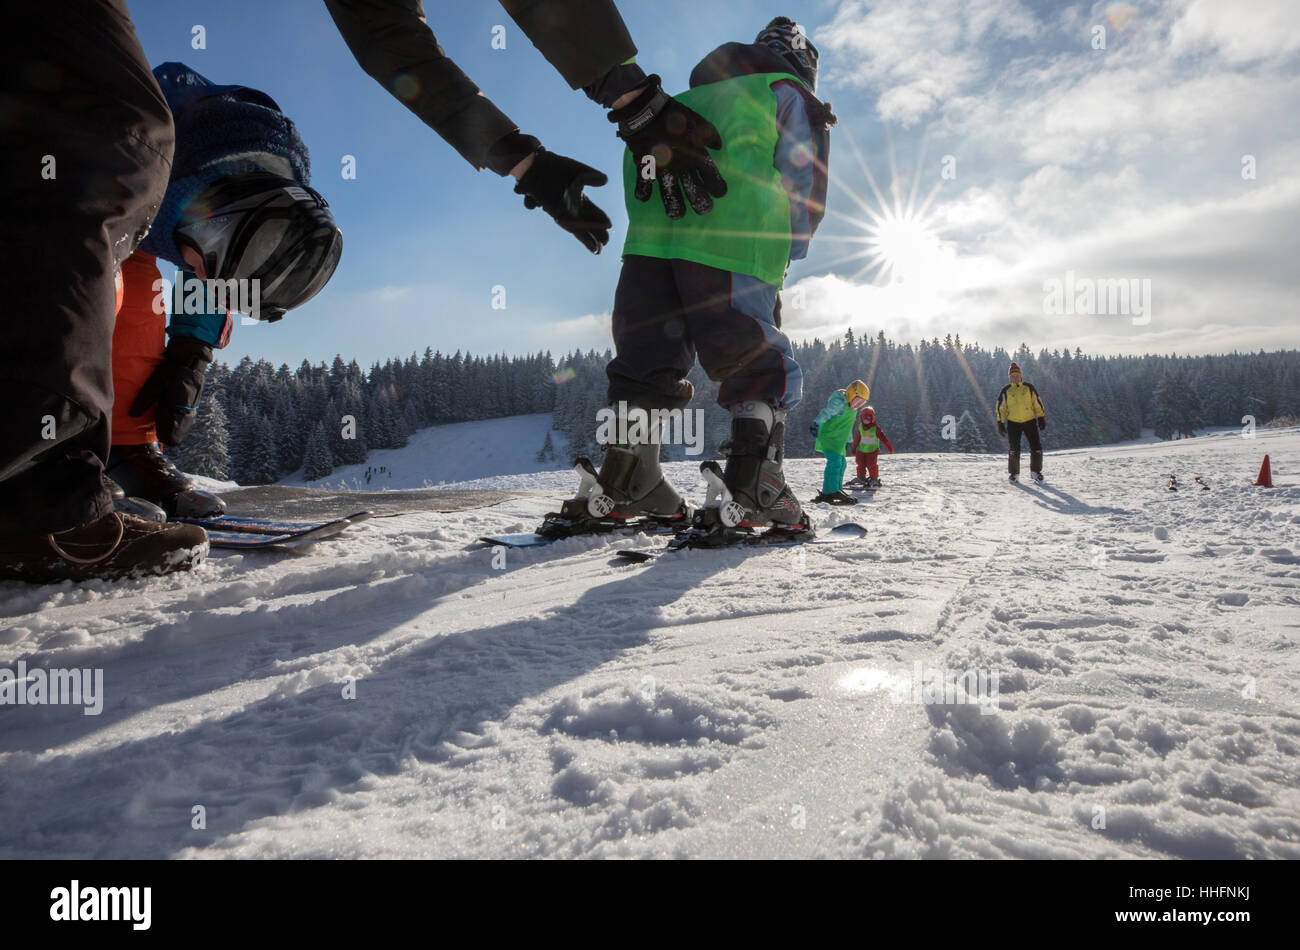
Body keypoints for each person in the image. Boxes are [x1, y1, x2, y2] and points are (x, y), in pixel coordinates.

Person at [0, 0, 725, 584]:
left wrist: (531, 158)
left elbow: (388, 37)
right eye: (222, 257)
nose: (211, 273)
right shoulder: (172, 159)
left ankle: (97, 458)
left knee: (119, 276)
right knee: (109, 173)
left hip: (160, 191)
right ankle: (38, 493)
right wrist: (626, 102)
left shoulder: (203, 220)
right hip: (140, 157)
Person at [568, 17, 835, 534]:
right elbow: (805, 175)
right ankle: (755, 486)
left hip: (651, 248)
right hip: (737, 240)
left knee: (646, 359)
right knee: (749, 354)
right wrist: (790, 246)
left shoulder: (686, 98)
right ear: (803, 63)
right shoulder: (787, 91)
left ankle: (628, 478)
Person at [811, 380, 869, 505]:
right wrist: (816, 423)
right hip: (830, 437)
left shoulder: (852, 409)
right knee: (835, 462)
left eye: (861, 403)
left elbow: (846, 427)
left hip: (839, 440)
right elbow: (827, 413)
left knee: (842, 464)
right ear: (851, 395)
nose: (858, 405)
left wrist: (849, 441)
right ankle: (829, 492)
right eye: (857, 400)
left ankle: (836, 490)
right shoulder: (839, 403)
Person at [995, 361, 1047, 483]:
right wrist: (1000, 422)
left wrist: (1041, 417)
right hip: (1013, 423)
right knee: (1014, 449)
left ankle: (1036, 472)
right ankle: (1014, 474)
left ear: (1021, 375)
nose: (1015, 377)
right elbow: (1001, 408)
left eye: (1017, 375)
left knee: (1036, 447)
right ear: (1009, 377)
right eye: (1012, 376)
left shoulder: (1029, 388)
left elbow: (1037, 403)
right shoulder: (1006, 391)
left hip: (1030, 421)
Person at [846, 405, 894, 489]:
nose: (866, 419)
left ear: (872, 418)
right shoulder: (860, 427)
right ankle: (861, 477)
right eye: (864, 417)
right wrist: (854, 448)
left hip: (872, 451)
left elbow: (883, 438)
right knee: (860, 464)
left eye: (868, 417)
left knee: (872, 465)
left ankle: (874, 478)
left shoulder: (875, 429)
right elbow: (857, 438)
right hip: (861, 450)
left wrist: (889, 446)